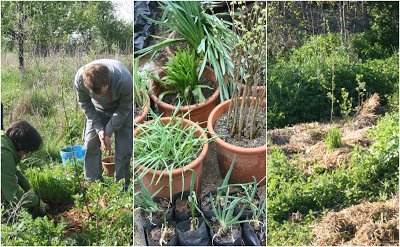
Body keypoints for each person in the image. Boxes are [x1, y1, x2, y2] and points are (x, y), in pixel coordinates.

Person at [74, 59, 133, 189]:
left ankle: (122, 187)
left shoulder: (124, 80)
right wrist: (99, 129)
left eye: (103, 92)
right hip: (97, 110)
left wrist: (109, 132)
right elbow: (85, 103)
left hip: (121, 109)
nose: (100, 97)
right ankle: (93, 183)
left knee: (124, 148)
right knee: (90, 143)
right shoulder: (80, 79)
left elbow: (124, 108)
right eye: (96, 94)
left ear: (108, 81)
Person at [1, 120, 48, 217]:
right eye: (27, 151)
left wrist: (29, 189)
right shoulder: (4, 155)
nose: (25, 156)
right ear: (21, 146)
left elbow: (13, 172)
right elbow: (13, 197)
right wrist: (36, 200)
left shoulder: (4, 141)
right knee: (6, 204)